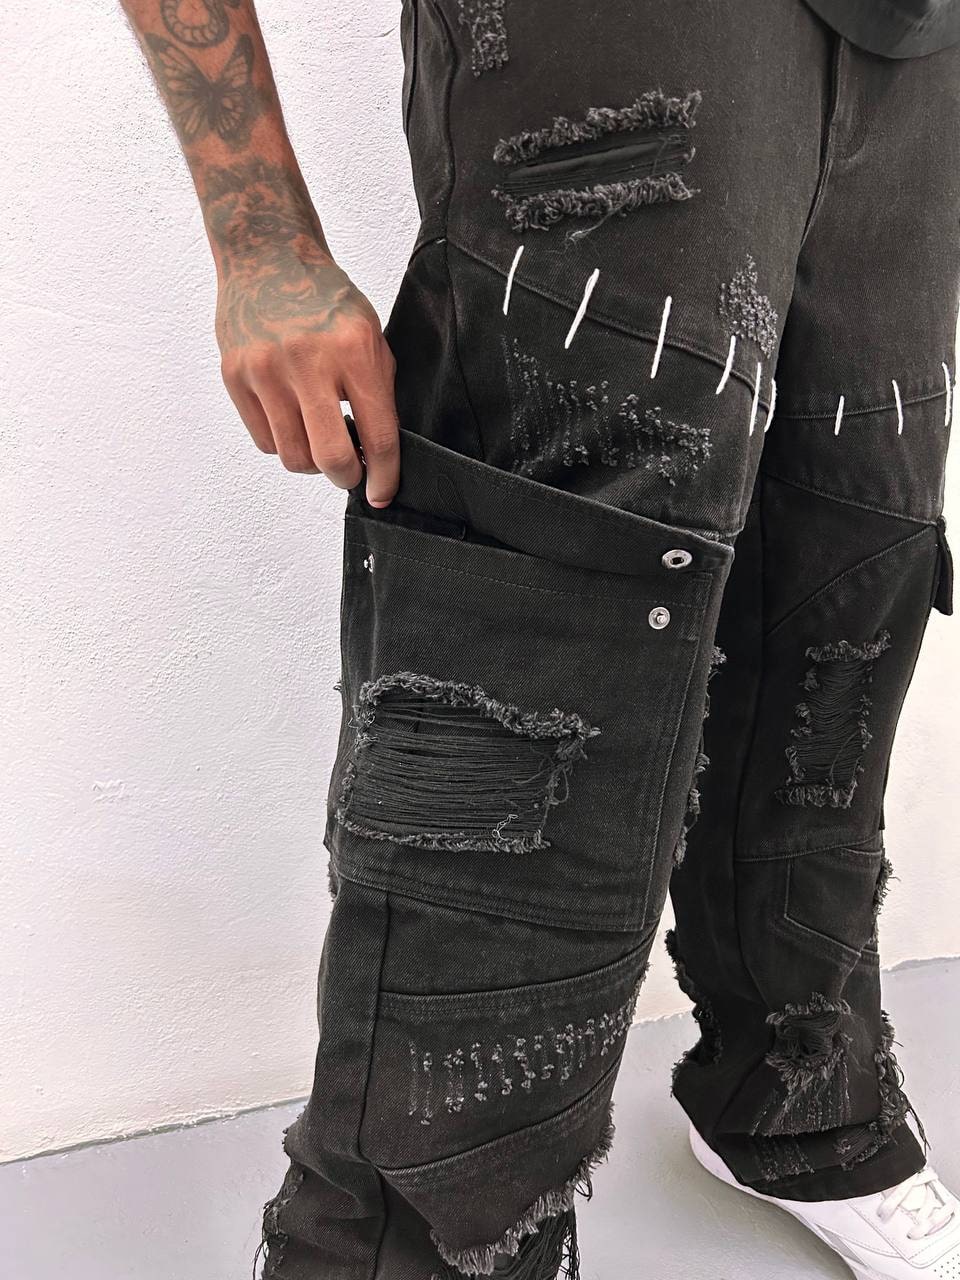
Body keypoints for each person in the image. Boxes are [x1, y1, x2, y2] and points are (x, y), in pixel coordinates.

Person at [119, 2, 960, 1276]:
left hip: (915, 52)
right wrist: (262, 235)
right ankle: (412, 1243)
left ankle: (795, 1088)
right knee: (554, 607)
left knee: (847, 562)